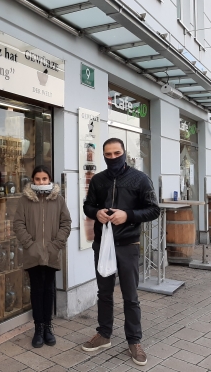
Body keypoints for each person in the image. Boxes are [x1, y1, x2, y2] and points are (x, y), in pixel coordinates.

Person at [82, 138, 160, 366]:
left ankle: (134, 341)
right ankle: (104, 334)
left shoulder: (140, 179)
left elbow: (154, 209)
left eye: (117, 153)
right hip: (103, 243)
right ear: (103, 156)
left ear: (124, 153)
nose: (113, 157)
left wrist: (128, 215)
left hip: (128, 244)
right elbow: (88, 205)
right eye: (108, 154)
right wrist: (96, 213)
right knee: (104, 292)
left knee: (130, 296)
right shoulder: (98, 180)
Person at [13, 165, 72, 348]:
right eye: (37, 179)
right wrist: (30, 245)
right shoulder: (25, 200)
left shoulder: (59, 199)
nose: (41, 182)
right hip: (33, 254)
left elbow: (66, 223)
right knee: (36, 290)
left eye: (44, 179)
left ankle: (48, 326)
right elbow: (18, 224)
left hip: (52, 253)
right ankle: (38, 328)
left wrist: (56, 245)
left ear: (50, 180)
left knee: (49, 289)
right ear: (33, 181)